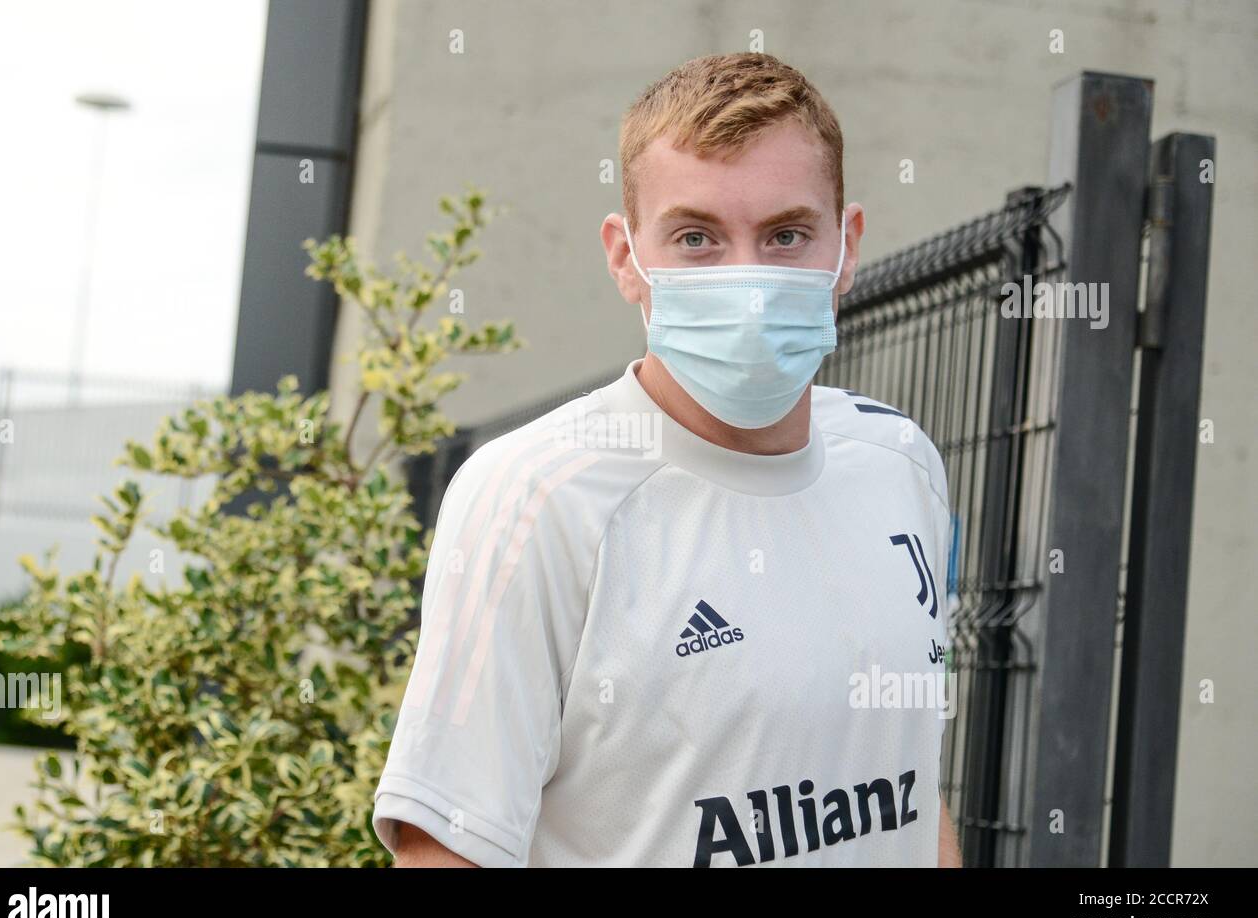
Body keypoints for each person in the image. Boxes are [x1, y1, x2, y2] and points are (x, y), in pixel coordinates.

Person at [371, 52, 961, 867]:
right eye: (697, 238)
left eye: (787, 234)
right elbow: (446, 848)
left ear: (846, 246)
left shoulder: (901, 463)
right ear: (626, 257)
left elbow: (908, 781)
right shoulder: (536, 498)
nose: (749, 280)